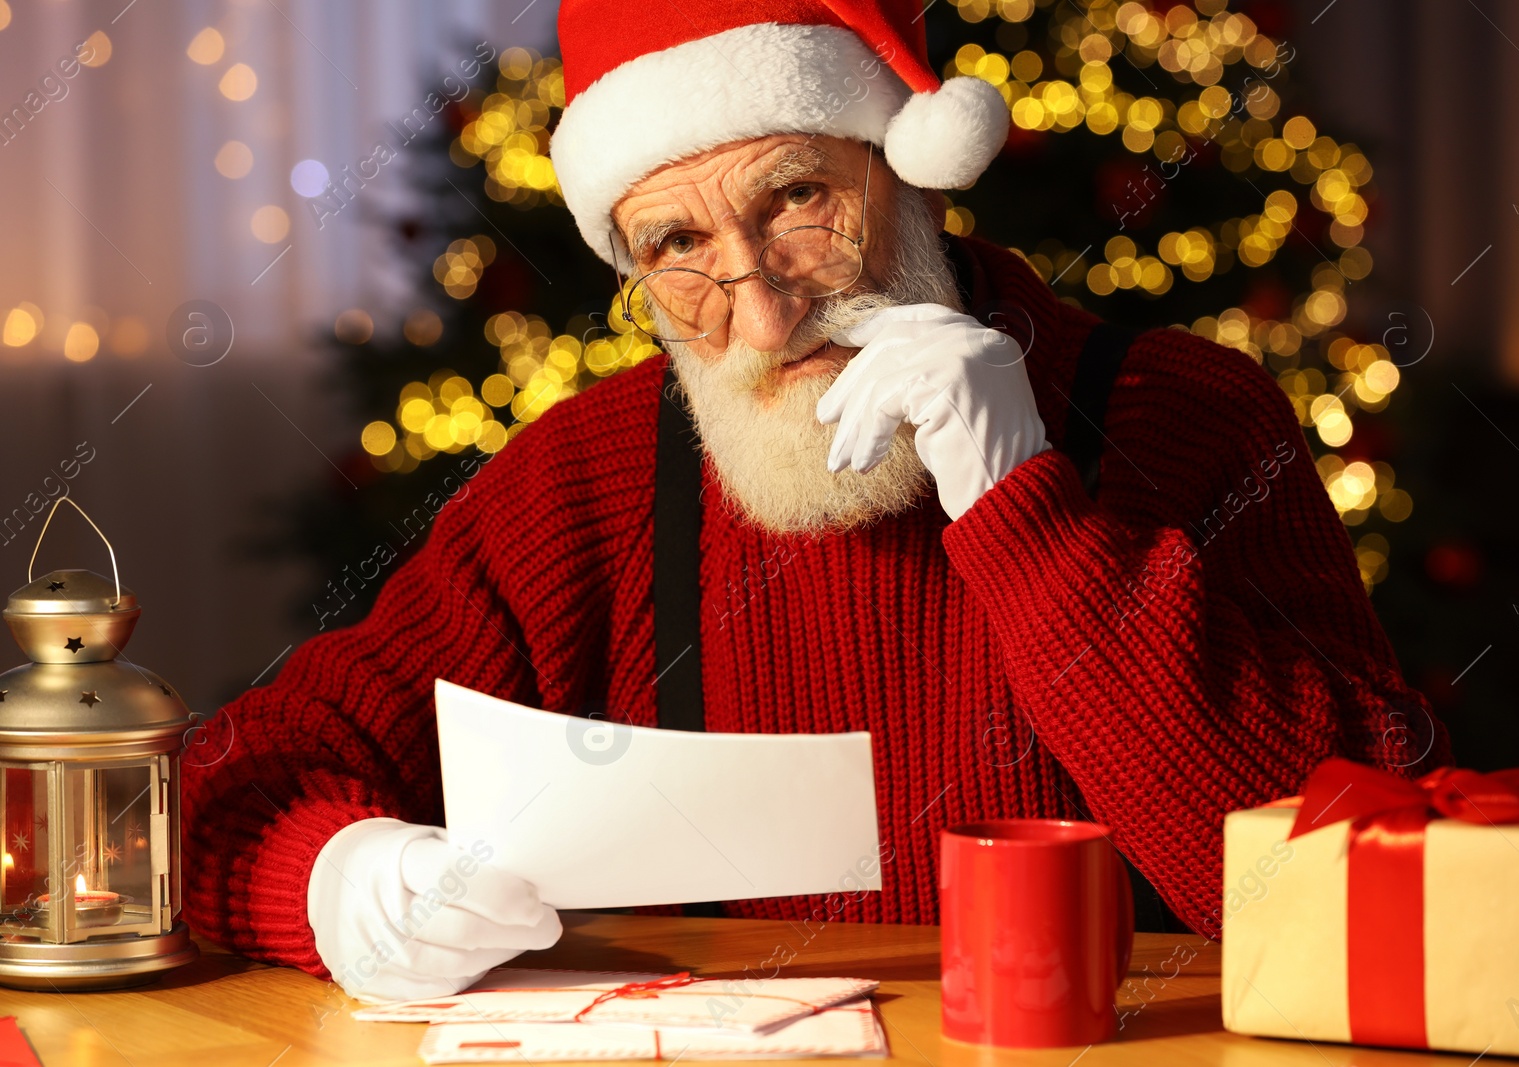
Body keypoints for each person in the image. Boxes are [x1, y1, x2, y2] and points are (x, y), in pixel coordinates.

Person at [180, 0, 1450, 1002]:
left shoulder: (1191, 415)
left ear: (903, 169)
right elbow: (227, 783)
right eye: (677, 246)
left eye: (795, 199)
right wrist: (336, 878)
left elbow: (1354, 889)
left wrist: (1032, 515)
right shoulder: (585, 483)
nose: (764, 306)